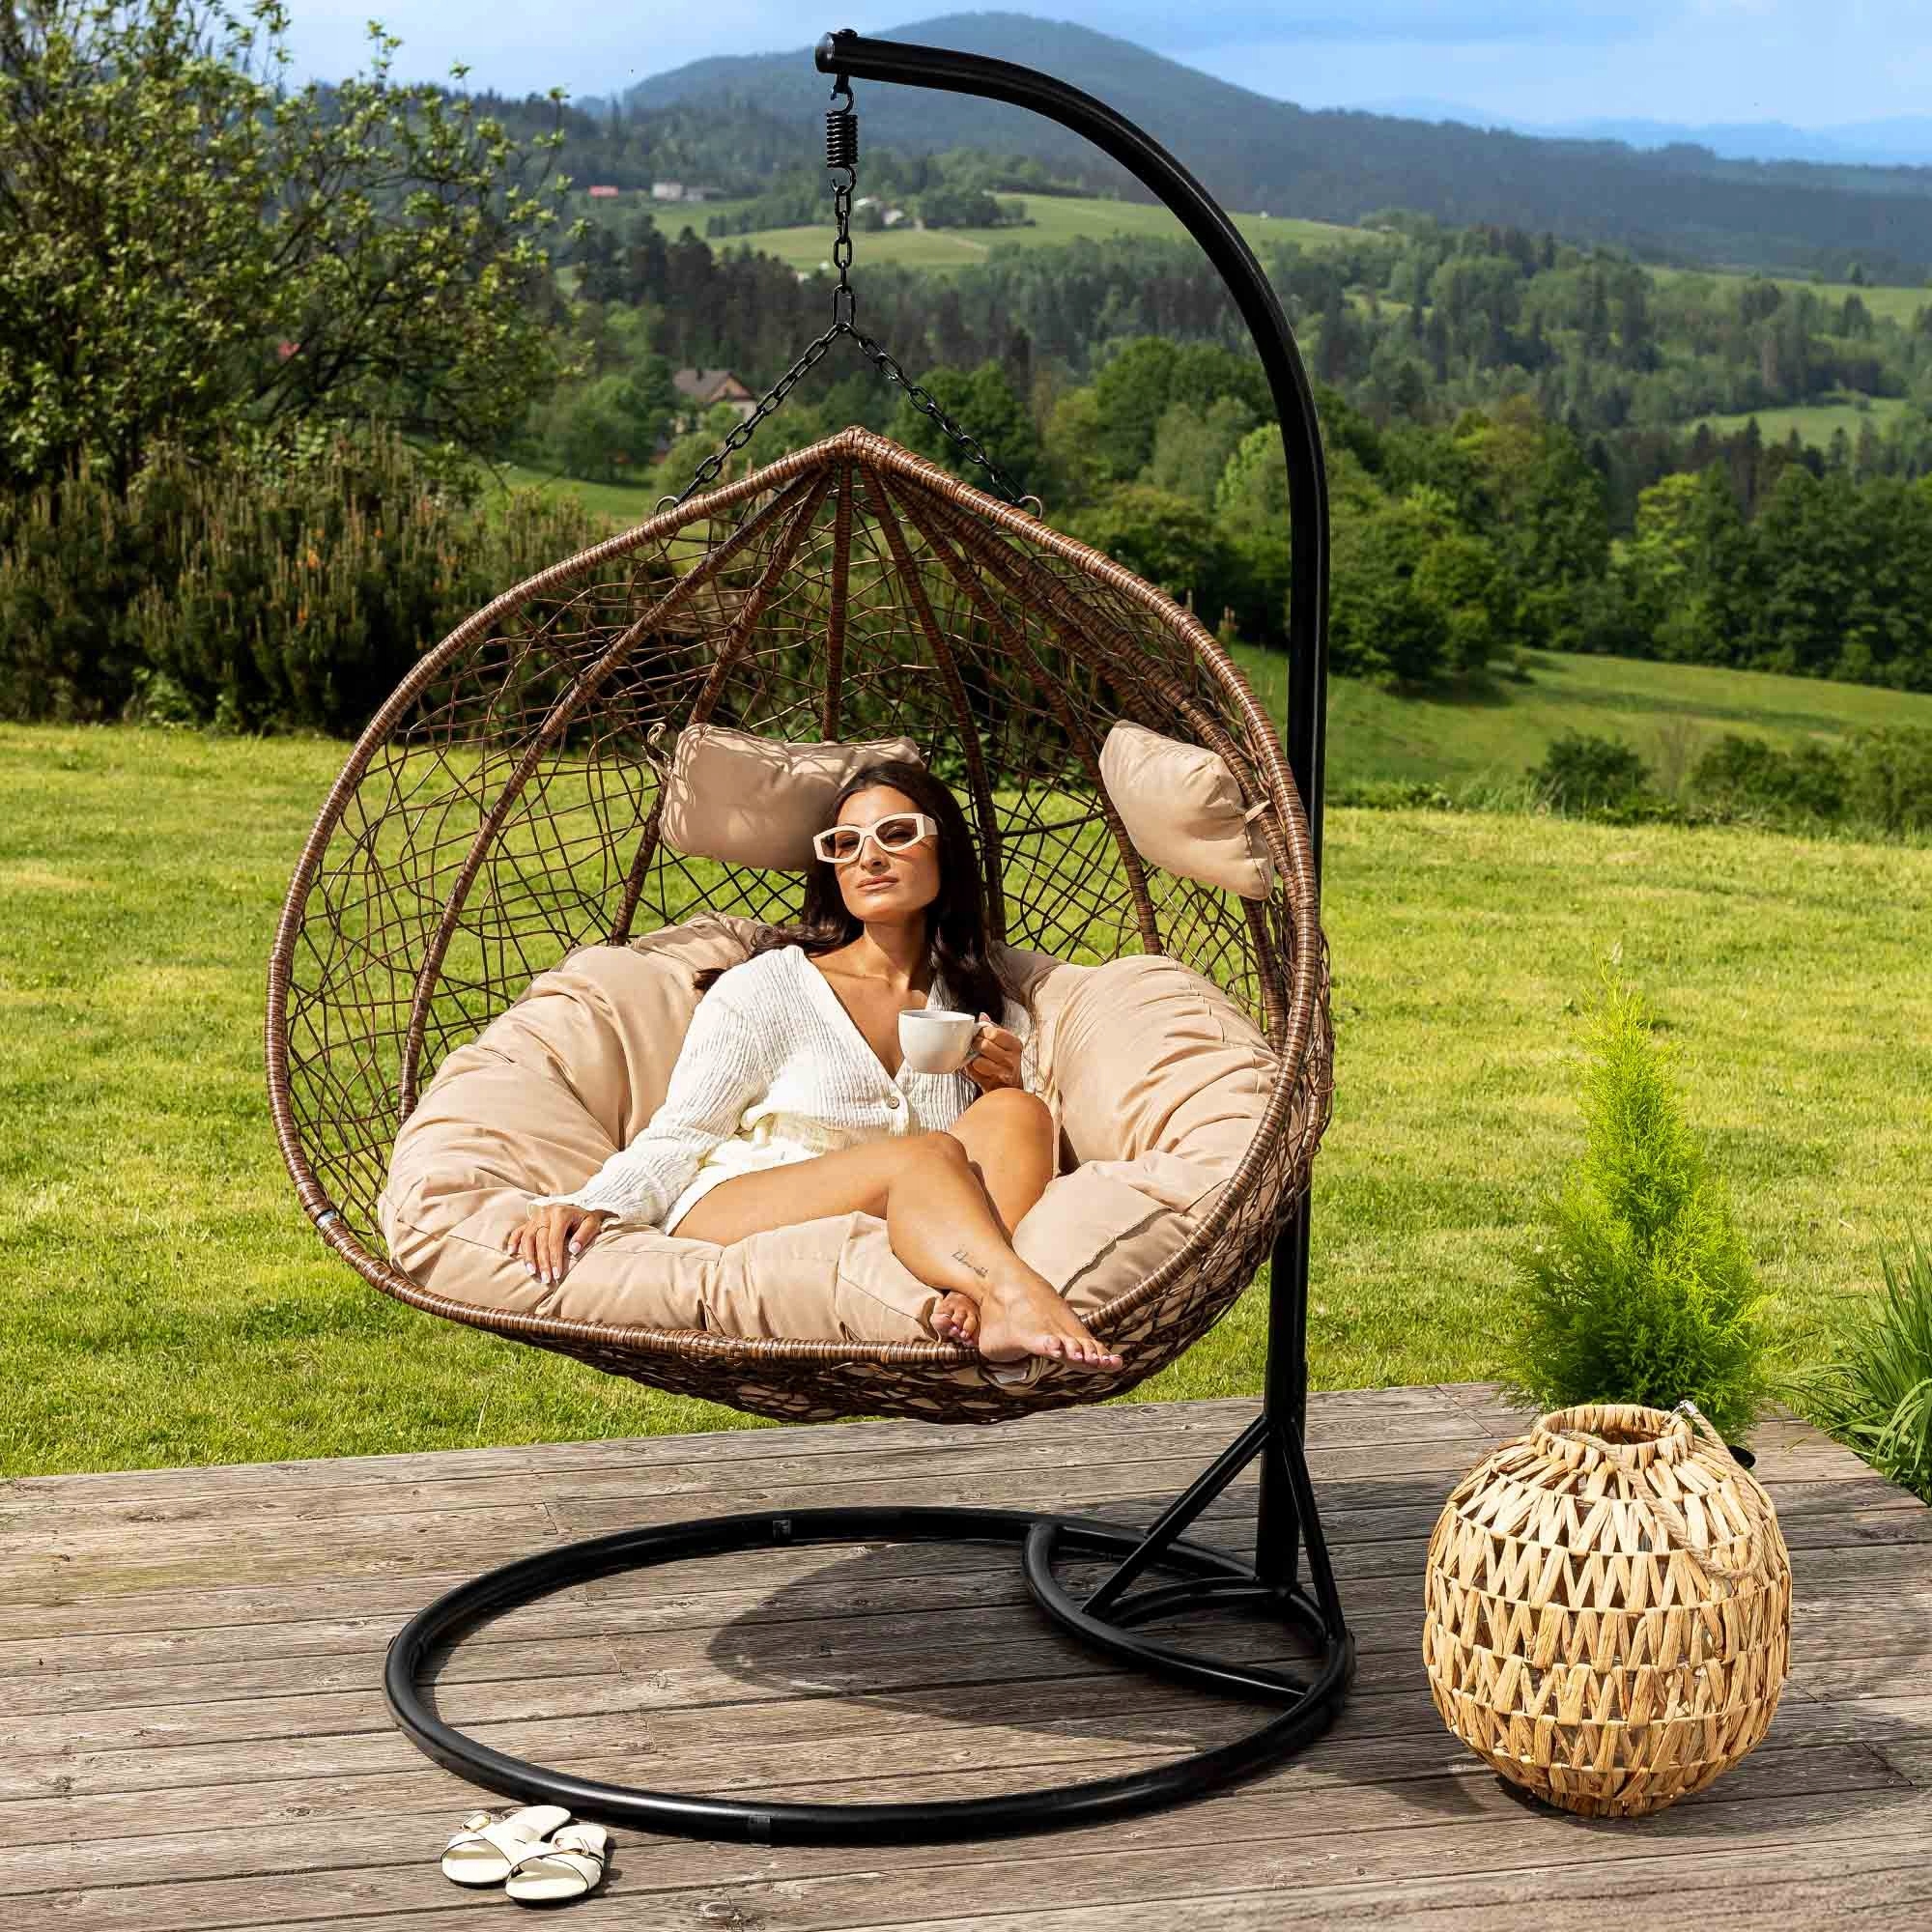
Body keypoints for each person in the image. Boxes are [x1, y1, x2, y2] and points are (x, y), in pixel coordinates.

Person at [506, 758, 1123, 1374]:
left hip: (906, 1211)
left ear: (946, 850)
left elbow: (1012, 1162)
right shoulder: (768, 987)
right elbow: (682, 1131)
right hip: (739, 1202)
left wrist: (1002, 1086)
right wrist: (597, 1201)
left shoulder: (984, 1007)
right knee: (924, 1154)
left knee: (1019, 1110)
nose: (869, 857)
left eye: (897, 834)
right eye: (845, 844)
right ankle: (1017, 1291)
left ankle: (975, 1294)